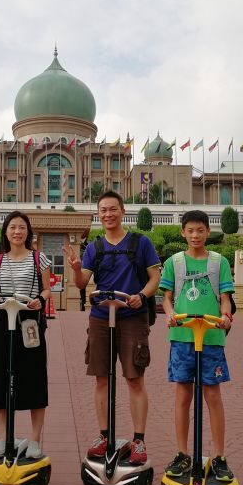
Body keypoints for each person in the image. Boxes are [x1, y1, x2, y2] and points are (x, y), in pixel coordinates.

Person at [63, 190, 161, 464]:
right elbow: (82, 283)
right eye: (103, 210)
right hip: (101, 317)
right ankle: (104, 436)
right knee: (101, 378)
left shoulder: (141, 243)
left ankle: (138, 440)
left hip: (132, 316)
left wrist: (141, 295)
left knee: (134, 378)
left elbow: (155, 277)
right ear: (98, 214)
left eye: (113, 209)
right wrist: (76, 268)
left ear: (123, 211)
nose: (108, 214)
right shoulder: (94, 248)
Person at [159, 210, 235, 481]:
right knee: (183, 395)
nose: (195, 235)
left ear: (208, 231)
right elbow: (166, 298)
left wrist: (225, 316)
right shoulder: (174, 262)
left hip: (211, 337)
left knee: (213, 395)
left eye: (200, 230)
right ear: (183, 232)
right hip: (182, 337)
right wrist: (170, 314)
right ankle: (182, 453)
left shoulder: (219, 262)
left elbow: (225, 298)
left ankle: (219, 457)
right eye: (190, 230)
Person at [0, 211, 51, 459]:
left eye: (22, 227)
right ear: (5, 231)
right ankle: (4, 438)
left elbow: (47, 289)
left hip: (29, 321)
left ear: (28, 232)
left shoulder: (39, 259)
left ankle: (34, 440)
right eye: (12, 227)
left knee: (34, 377)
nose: (17, 232)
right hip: (4, 322)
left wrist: (39, 299)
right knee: (1, 377)